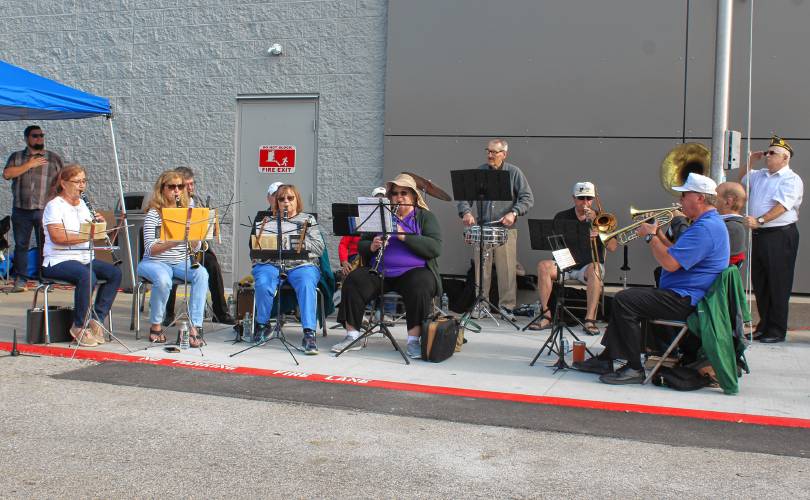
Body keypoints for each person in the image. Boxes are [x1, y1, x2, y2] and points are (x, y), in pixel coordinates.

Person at [573, 173, 729, 385]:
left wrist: (650, 236)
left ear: (700, 198)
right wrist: (660, 235)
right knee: (628, 298)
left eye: (684, 195)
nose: (681, 199)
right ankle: (607, 359)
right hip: (686, 293)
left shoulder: (705, 228)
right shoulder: (706, 224)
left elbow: (670, 263)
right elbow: (678, 253)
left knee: (625, 300)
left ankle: (633, 367)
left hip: (686, 298)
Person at [334, 174, 442, 359]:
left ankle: (413, 341)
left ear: (414, 196)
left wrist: (404, 236)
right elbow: (361, 244)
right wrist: (372, 245)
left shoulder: (425, 217)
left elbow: (435, 247)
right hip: (381, 270)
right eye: (395, 194)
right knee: (354, 280)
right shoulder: (379, 215)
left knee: (420, 285)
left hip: (413, 272)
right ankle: (352, 336)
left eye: (404, 193)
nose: (399, 198)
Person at [40, 164, 122, 346]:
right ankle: (78, 325)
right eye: (77, 182)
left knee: (115, 273)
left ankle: (96, 320)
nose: (82, 186)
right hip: (58, 260)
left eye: (84, 181)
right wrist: (88, 234)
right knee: (87, 275)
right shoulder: (54, 206)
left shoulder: (84, 205)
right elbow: (58, 237)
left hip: (85, 258)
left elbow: (96, 238)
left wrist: (102, 227)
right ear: (63, 182)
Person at [457, 139, 533, 320]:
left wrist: (513, 213)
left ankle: (506, 307)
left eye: (495, 152)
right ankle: (481, 305)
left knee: (507, 269)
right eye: (488, 151)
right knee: (481, 270)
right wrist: (466, 212)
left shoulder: (514, 172)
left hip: (505, 229)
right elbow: (464, 198)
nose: (490, 155)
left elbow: (527, 198)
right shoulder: (480, 172)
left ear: (504, 154)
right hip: (483, 228)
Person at [740, 135, 803, 343]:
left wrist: (759, 220)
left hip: (779, 235)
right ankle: (764, 326)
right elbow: (741, 183)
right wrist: (750, 161)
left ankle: (776, 330)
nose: (767, 156)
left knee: (778, 283)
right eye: (767, 152)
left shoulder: (791, 179)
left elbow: (782, 206)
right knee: (762, 283)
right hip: (761, 234)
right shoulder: (760, 175)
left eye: (772, 153)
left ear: (785, 158)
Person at [532, 182, 618, 334]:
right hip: (566, 263)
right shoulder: (562, 216)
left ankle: (590, 319)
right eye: (581, 198)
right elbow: (555, 244)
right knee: (543, 266)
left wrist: (599, 230)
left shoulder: (602, 219)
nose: (585, 202)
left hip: (588, 267)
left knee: (596, 268)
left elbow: (612, 247)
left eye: (589, 198)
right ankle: (546, 315)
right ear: (573, 198)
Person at [137, 170, 209, 346]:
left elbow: (195, 247)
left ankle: (195, 327)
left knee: (202, 273)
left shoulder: (188, 212)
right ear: (162, 189)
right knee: (163, 280)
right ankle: (156, 325)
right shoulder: (154, 214)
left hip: (180, 261)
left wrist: (195, 238)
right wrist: (176, 240)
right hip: (154, 262)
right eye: (172, 187)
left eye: (180, 187)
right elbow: (151, 248)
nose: (176, 191)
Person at [251, 184, 324, 354]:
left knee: (306, 283)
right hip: (271, 263)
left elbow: (319, 248)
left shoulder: (308, 220)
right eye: (281, 199)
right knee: (263, 282)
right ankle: (262, 325)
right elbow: (256, 250)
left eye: (290, 198)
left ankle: (309, 334)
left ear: (297, 200)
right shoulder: (266, 221)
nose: (286, 202)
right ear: (275, 202)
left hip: (301, 264)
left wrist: (296, 241)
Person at [162, 167, 235, 325]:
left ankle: (220, 312)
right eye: (186, 185)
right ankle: (167, 313)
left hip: (197, 246)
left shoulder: (198, 201)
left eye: (192, 184)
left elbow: (207, 227)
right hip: (174, 248)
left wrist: (210, 226)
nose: (190, 188)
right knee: (170, 266)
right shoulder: (168, 203)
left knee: (213, 265)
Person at [3, 125, 64, 292]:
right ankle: (21, 279)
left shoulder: (53, 158)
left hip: (45, 209)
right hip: (21, 209)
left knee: (46, 244)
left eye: (41, 135)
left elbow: (62, 181)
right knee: (21, 245)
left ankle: (46, 279)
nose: (39, 139)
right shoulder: (17, 157)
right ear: (26, 138)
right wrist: (29, 165)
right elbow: (7, 174)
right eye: (35, 136)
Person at [338, 186, 386, 277]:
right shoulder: (361, 219)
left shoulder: (389, 221)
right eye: (377, 199)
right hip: (355, 256)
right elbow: (343, 244)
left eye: (383, 200)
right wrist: (344, 261)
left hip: (375, 256)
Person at [715, 181, 748, 266]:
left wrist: (680, 220)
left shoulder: (732, 227)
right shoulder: (730, 224)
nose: (711, 201)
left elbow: (693, 255)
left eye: (715, 197)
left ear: (728, 201)